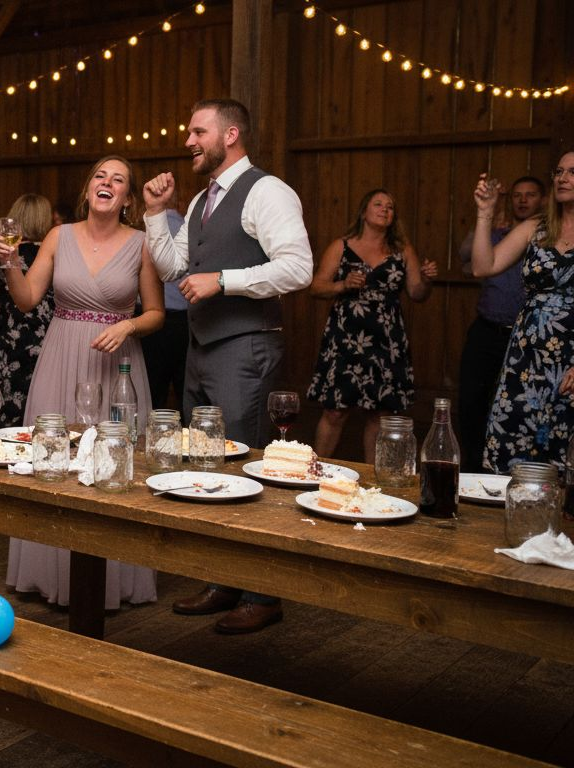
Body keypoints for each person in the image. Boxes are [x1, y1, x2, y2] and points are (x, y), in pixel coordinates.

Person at [142, 98, 314, 634]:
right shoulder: (198, 204)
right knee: (210, 463)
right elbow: (176, 269)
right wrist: (152, 216)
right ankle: (222, 580)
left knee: (250, 464)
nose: (188, 140)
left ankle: (264, 595)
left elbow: (299, 267)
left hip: (246, 348)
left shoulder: (267, 191)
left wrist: (225, 280)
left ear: (231, 133)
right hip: (202, 350)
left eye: (198, 131)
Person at [0, 156, 164, 609]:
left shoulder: (141, 244)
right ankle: (48, 573)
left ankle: (113, 579)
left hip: (117, 363)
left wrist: (128, 327)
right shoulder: (59, 235)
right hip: (61, 357)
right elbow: (28, 299)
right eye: (99, 176)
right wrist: (10, 264)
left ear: (127, 198)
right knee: (55, 459)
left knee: (112, 464)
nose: (106, 183)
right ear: (89, 188)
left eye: (118, 180)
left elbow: (156, 312)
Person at [306, 189, 436, 460]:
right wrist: (343, 284)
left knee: (380, 412)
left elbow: (417, 293)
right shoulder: (341, 246)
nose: (384, 209)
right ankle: (314, 473)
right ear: (364, 211)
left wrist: (427, 279)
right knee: (335, 409)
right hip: (345, 337)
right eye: (378, 204)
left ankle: (373, 481)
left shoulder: (402, 251)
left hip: (386, 339)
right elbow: (316, 286)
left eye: (390, 206)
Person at [473, 155, 574, 471]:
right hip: (527, 353)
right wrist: (485, 214)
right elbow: (483, 266)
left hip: (570, 354)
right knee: (515, 437)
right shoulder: (538, 226)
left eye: (573, 172)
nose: (562, 177)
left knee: (563, 444)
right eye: (558, 171)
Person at [457, 176, 546, 472]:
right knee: (472, 403)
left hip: (528, 338)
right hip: (487, 329)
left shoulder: (548, 237)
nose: (522, 200)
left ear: (543, 200)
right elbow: (468, 261)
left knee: (517, 409)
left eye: (530, 195)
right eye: (517, 195)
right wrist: (487, 215)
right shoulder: (500, 232)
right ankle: (471, 471)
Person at [0, 193, 55, 429]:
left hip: (7, 333)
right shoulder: (48, 254)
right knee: (42, 396)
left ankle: (5, 441)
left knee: (8, 395)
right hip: (42, 334)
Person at [138, 209, 188, 409]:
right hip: (184, 321)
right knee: (185, 390)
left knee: (151, 391)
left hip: (149, 321)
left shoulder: (147, 229)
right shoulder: (187, 226)